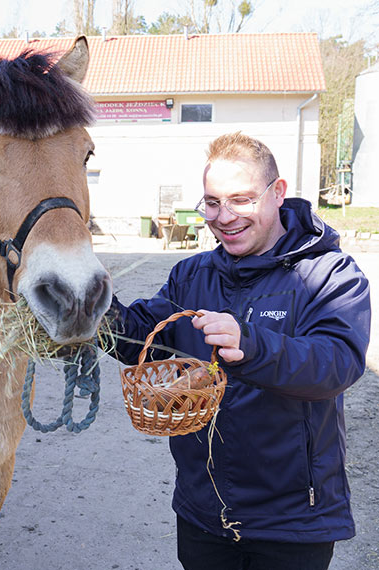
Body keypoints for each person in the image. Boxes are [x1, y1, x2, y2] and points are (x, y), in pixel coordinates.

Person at [109, 132, 370, 570]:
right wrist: (92, 314)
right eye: (212, 203)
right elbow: (142, 336)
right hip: (202, 516)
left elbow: (336, 363)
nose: (224, 217)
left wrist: (249, 344)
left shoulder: (329, 275)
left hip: (291, 524)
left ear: (278, 193)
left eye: (241, 200)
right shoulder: (191, 275)